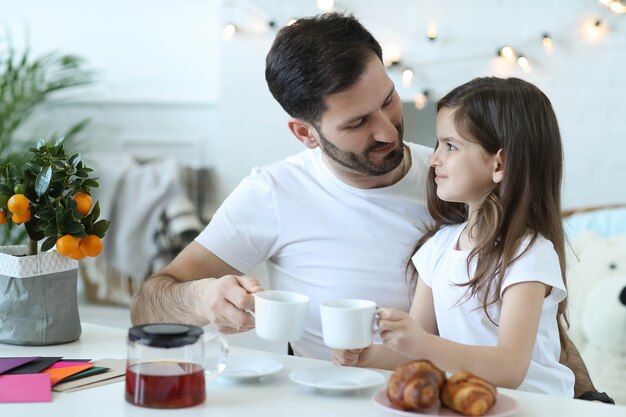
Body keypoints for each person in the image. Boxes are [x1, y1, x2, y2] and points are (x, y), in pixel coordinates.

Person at [131, 12, 602, 399]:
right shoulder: (273, 194)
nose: (389, 132)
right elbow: (149, 304)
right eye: (357, 122)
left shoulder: (457, 180)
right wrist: (202, 297)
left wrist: (589, 397)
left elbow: (528, 318)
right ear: (305, 133)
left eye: (389, 100)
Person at [332, 77, 578, 397]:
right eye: (438, 145)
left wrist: (423, 344)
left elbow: (510, 368)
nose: (434, 159)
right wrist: (369, 355)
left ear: (499, 163)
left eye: (450, 146)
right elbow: (417, 348)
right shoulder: (440, 248)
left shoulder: (530, 254)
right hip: (469, 402)